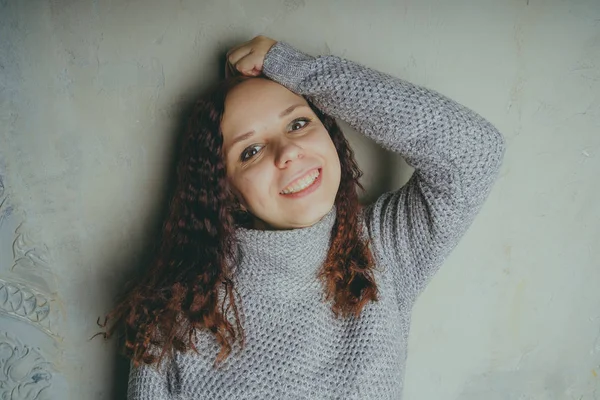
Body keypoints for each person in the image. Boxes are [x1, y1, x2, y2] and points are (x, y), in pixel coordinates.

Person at [104, 35, 505, 399]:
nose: (288, 152)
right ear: (227, 193)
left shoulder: (383, 250)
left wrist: (298, 69)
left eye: (298, 123)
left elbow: (474, 151)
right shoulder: (176, 315)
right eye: (250, 151)